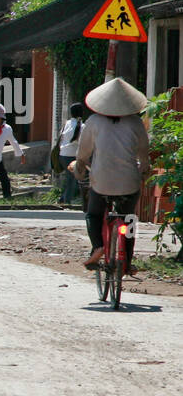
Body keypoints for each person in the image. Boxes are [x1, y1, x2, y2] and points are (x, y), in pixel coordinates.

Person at [73, 77, 151, 273]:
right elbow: (144, 153)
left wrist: (80, 166)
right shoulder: (136, 123)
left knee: (93, 214)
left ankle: (98, 246)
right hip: (129, 182)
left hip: (102, 182)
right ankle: (128, 260)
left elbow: (83, 153)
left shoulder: (94, 121)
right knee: (129, 219)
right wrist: (143, 169)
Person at [57, 102, 86, 206]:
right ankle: (66, 201)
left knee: (69, 178)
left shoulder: (67, 123)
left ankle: (62, 199)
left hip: (62, 155)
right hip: (72, 156)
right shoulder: (82, 126)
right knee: (72, 180)